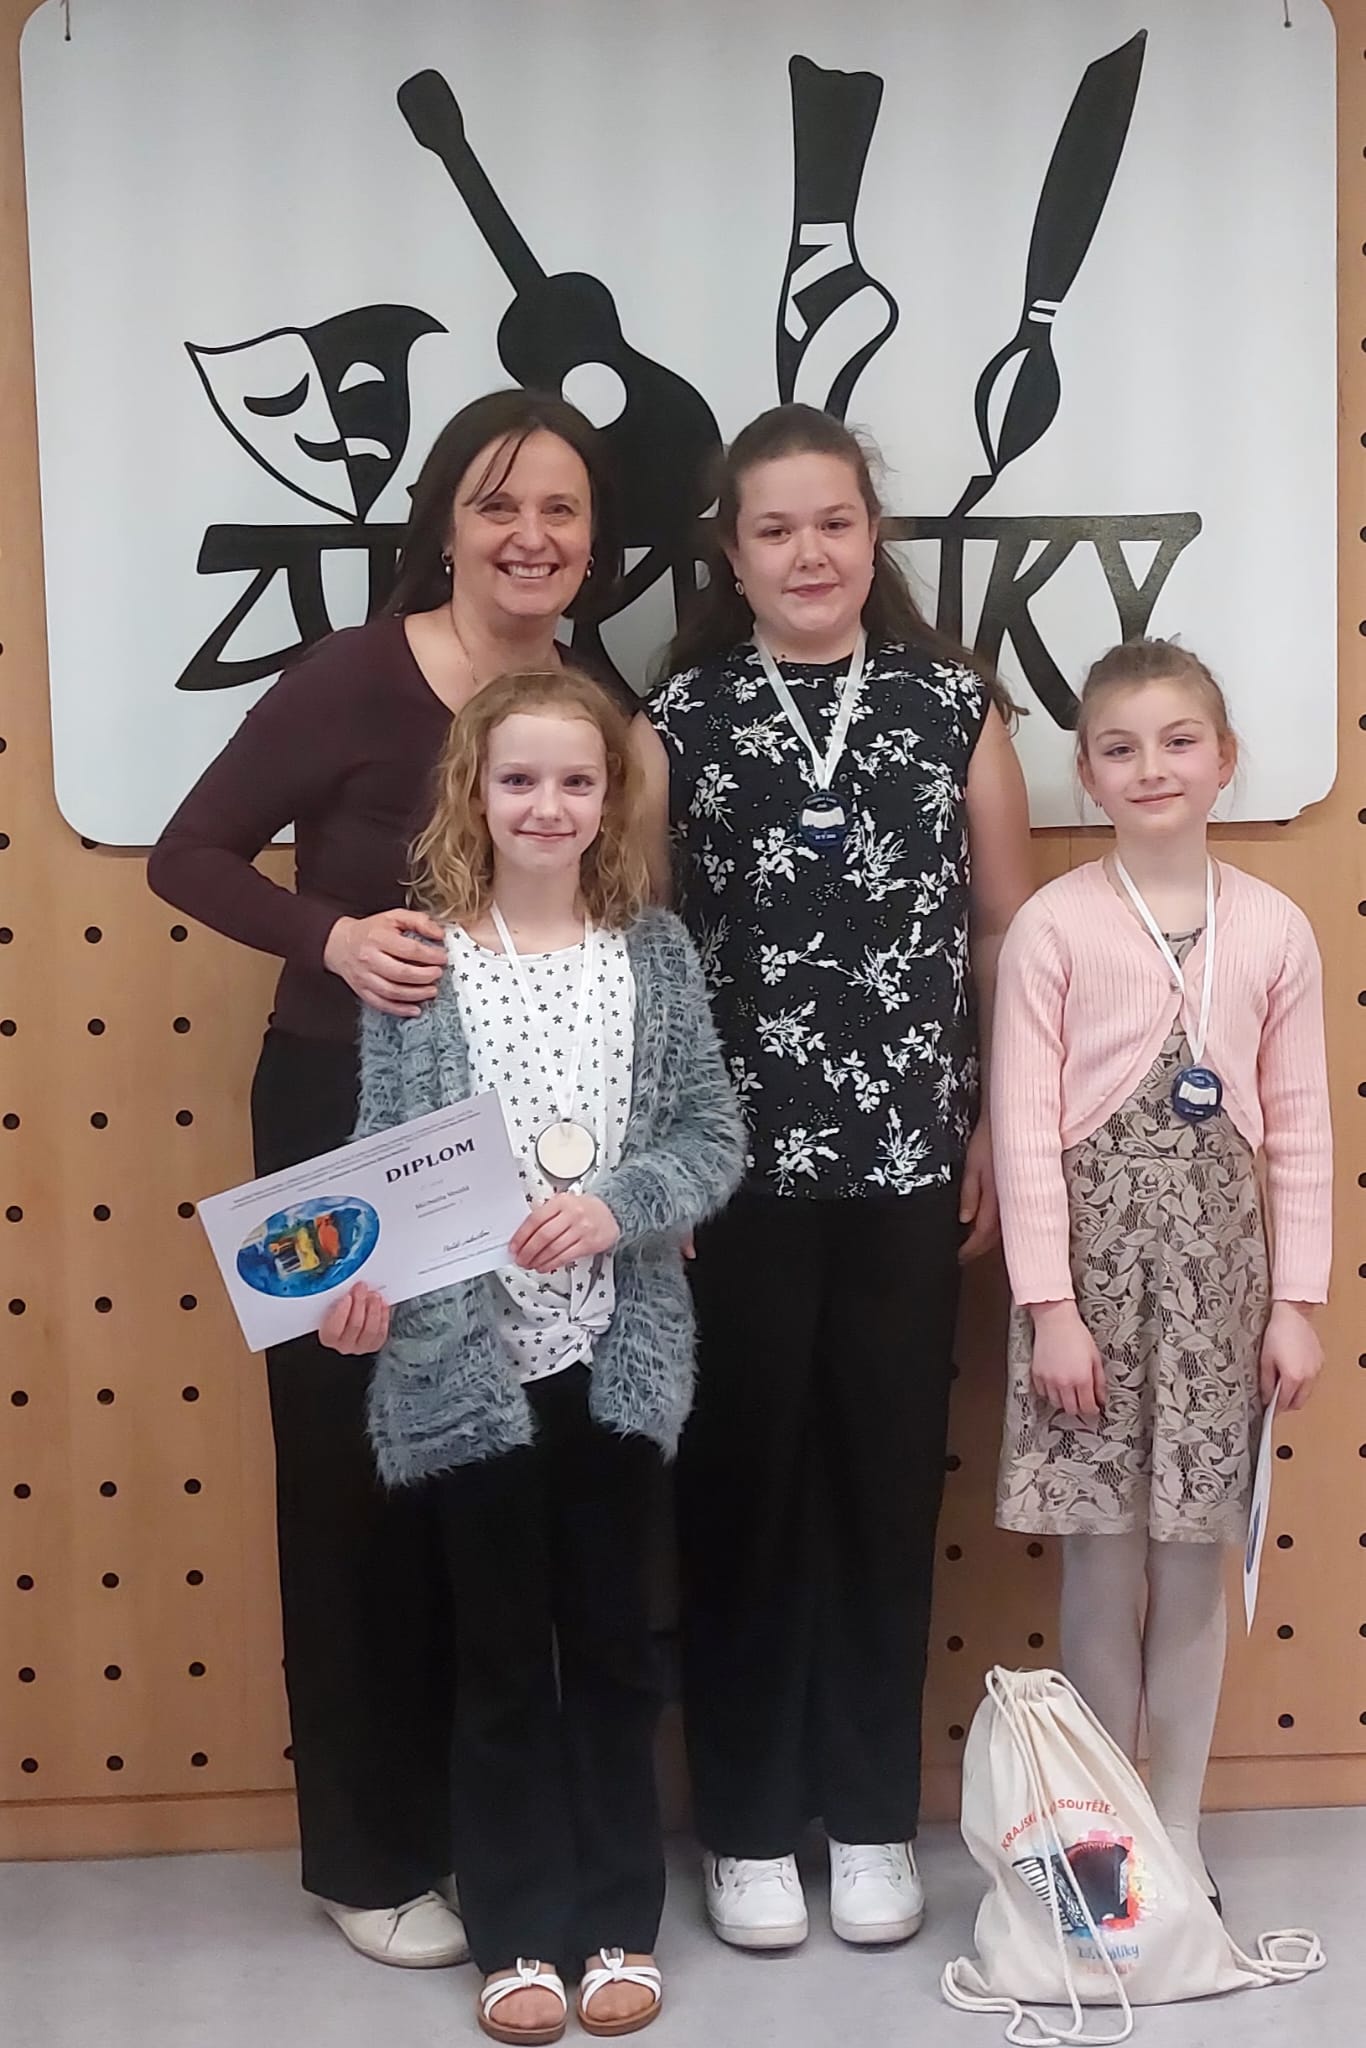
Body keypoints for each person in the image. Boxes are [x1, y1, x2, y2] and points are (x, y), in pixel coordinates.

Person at [147, 389, 648, 1965]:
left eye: (560, 509)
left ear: (594, 543)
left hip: (527, 1148)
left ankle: (487, 1842)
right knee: (353, 1484)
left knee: (482, 1487)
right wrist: (332, 938)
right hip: (345, 1126)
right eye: (498, 503)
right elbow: (187, 855)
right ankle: (367, 1859)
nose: (529, 536)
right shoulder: (351, 678)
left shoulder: (592, 700)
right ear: (444, 521)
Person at [636, 402, 1033, 1949]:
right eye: (774, 528)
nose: (809, 552)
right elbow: (643, 952)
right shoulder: (678, 719)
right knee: (737, 1495)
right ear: (729, 555)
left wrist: (996, 1120)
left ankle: (871, 1817)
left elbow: (999, 933)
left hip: (907, 1170)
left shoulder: (953, 707)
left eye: (835, 522)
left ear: (874, 535)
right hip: (729, 1182)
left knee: (880, 1491)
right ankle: (743, 1824)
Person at [318, 667, 745, 2043]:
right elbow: (381, 1162)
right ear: (474, 793)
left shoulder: (653, 956)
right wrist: (359, 1287)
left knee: (612, 1643)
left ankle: (616, 1917)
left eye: (575, 779)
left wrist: (621, 1205)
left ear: (610, 798)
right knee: (499, 1653)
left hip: (612, 1356)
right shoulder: (423, 963)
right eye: (518, 779)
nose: (547, 805)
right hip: (468, 1368)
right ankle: (513, 1927)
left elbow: (709, 1138)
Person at [991, 637, 1331, 1911]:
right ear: (1085, 771)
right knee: (1100, 1563)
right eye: (1120, 747)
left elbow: (1301, 1128)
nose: (1152, 767)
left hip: (1217, 1291)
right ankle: (1107, 1838)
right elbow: (1024, 1132)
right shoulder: (1053, 925)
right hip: (1087, 1290)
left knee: (1192, 1563)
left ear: (1224, 758)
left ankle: (1177, 1832)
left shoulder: (1276, 927)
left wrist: (1293, 1304)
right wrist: (1050, 1310)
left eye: (1179, 741)